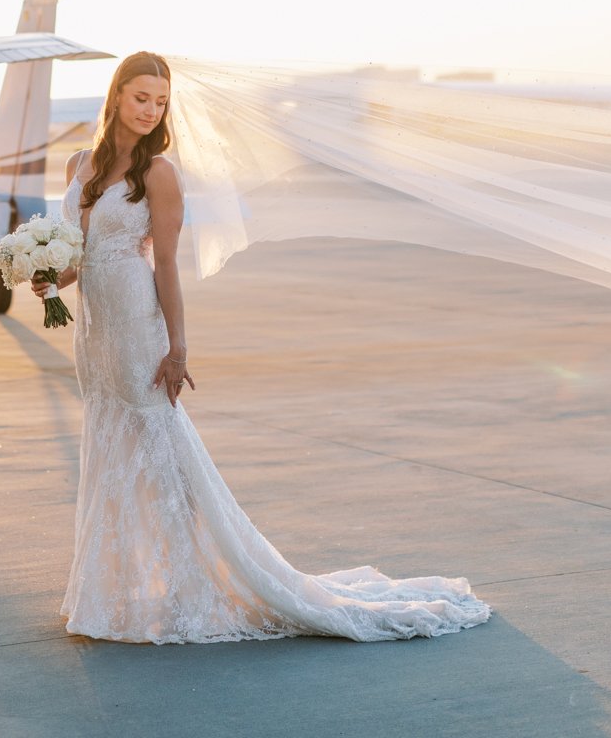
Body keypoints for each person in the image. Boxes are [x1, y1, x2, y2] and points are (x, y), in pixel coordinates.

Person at [31, 51, 490, 644]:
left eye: (161, 101)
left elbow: (166, 264)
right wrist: (51, 279)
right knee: (110, 448)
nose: (151, 110)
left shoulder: (159, 174)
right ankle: (110, 590)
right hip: (93, 336)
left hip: (139, 331)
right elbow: (84, 255)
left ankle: (194, 587)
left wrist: (178, 349)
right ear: (117, 96)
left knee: (164, 462)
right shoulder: (80, 165)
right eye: (141, 97)